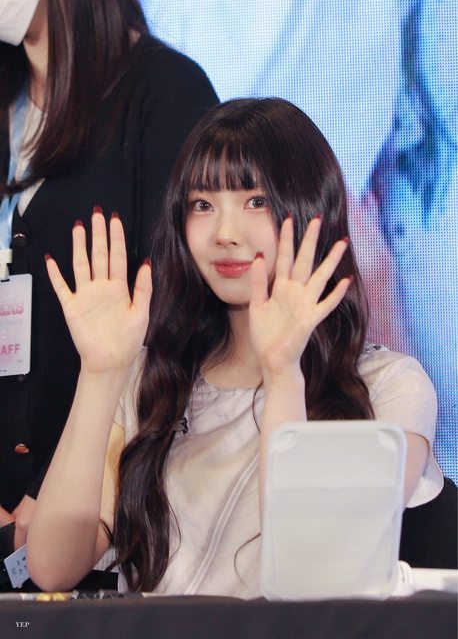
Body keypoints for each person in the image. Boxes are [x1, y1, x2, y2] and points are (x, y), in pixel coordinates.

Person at [27, 98, 442, 596]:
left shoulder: (388, 386)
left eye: (256, 201)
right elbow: (52, 568)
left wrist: (282, 372)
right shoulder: (153, 379)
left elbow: (313, 571)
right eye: (202, 205)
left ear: (312, 207)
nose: (225, 234)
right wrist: (100, 374)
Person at [0, 0, 218, 548]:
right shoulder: (9, 94)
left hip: (96, 507)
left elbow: (176, 313)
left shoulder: (166, 92)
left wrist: (61, 486)